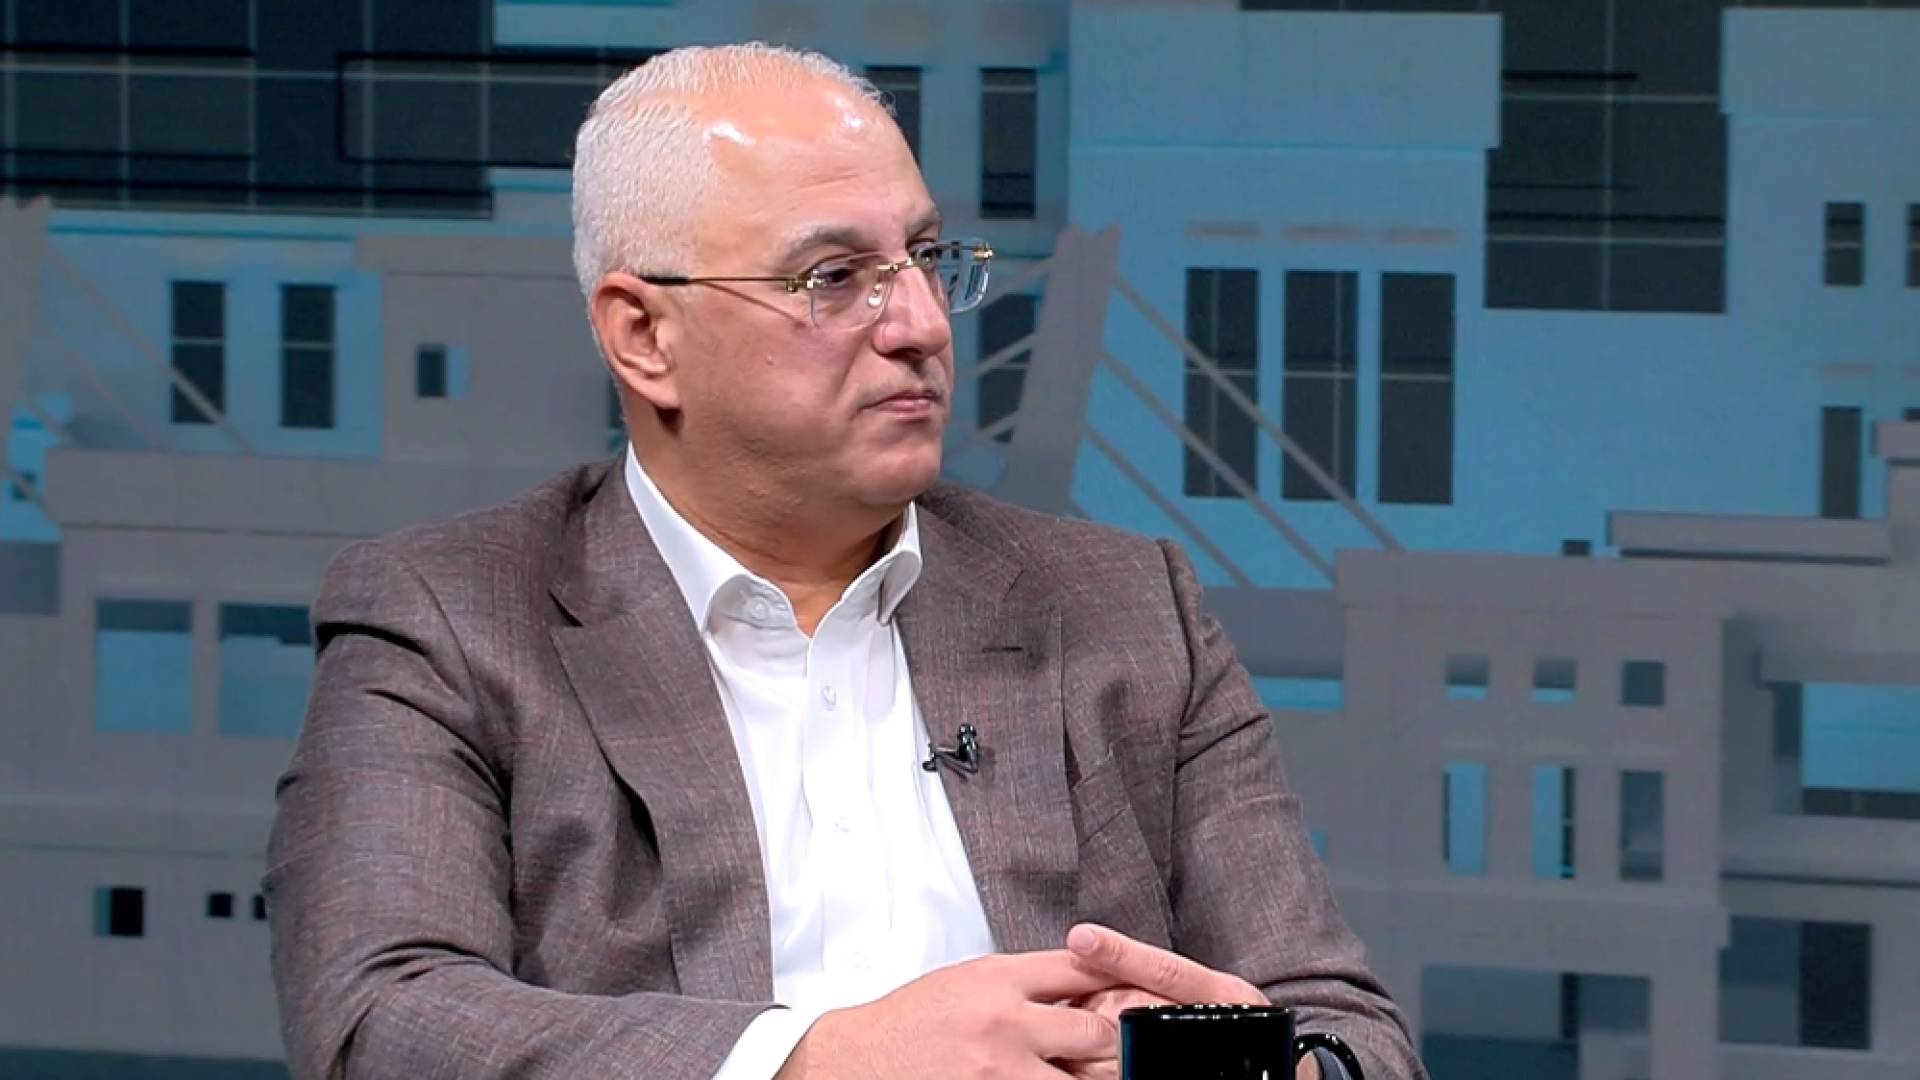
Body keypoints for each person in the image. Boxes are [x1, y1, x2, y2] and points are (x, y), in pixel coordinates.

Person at [265, 43, 1425, 1080]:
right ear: (644, 335)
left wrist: (1243, 1073)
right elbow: (382, 1022)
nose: (922, 323)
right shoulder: (451, 619)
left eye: (925, 258)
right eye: (834, 277)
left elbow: (1348, 1034)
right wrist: (820, 1062)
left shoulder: (1128, 608)